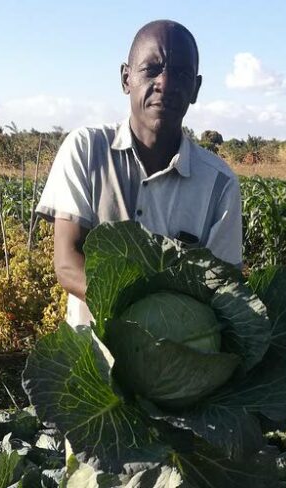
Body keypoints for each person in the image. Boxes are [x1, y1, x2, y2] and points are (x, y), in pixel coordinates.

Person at [35, 19, 242, 327]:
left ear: (195, 89)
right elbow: (67, 262)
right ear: (125, 78)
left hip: (178, 364)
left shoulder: (218, 183)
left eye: (182, 74)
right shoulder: (87, 150)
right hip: (92, 363)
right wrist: (140, 318)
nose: (166, 83)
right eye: (152, 69)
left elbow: (226, 290)